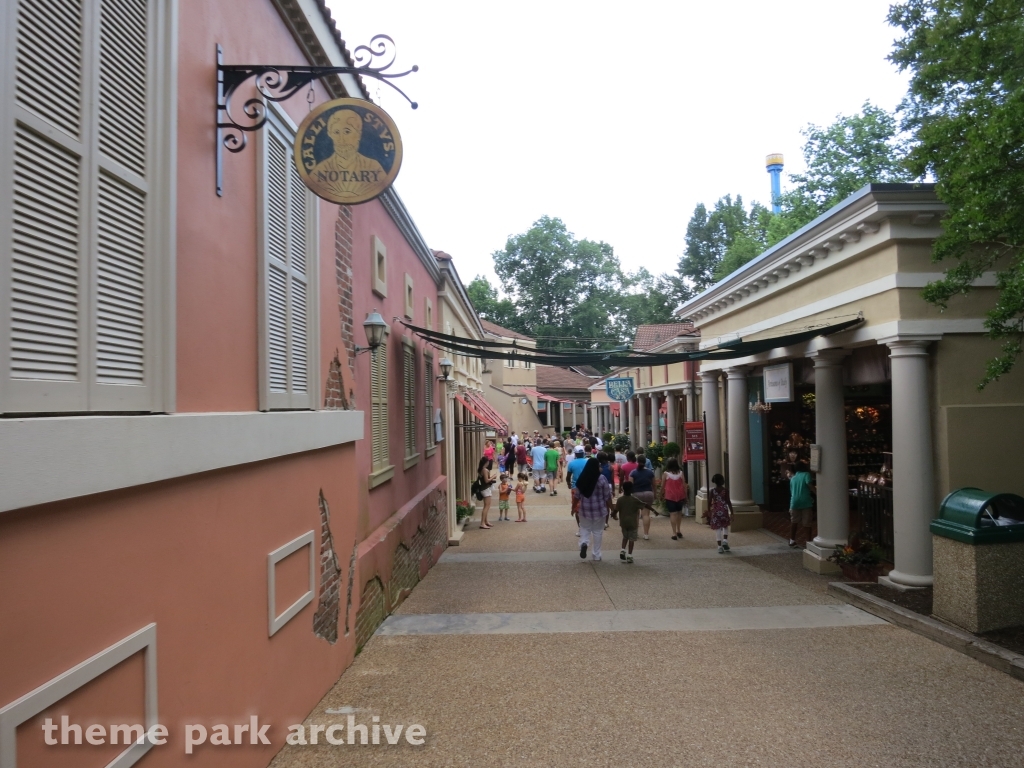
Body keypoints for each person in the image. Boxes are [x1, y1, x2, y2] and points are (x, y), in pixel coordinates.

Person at [310, 109, 388, 201]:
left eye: (347, 132)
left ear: (358, 134)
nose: (341, 140)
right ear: (330, 135)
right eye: (336, 132)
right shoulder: (320, 170)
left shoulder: (374, 168)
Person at [574, 458, 613, 561]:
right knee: (597, 532)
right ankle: (596, 554)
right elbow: (607, 497)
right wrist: (613, 509)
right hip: (599, 510)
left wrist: (573, 507)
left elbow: (576, 496)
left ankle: (583, 543)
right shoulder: (602, 479)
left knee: (584, 528)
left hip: (584, 510)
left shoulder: (582, 478)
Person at [613, 481, 652, 563]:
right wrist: (654, 511)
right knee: (631, 539)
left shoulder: (620, 500)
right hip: (633, 523)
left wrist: (613, 515)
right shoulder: (634, 500)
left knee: (625, 537)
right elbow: (645, 505)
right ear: (631, 489)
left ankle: (623, 550)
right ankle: (630, 555)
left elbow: (616, 510)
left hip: (623, 522)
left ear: (623, 489)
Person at [629, 453, 658, 540]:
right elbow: (654, 484)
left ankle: (636, 532)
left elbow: (630, 485)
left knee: (635, 514)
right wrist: (655, 494)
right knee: (646, 514)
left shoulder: (633, 472)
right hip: (648, 493)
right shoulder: (650, 472)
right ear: (645, 462)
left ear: (637, 462)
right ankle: (646, 534)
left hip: (636, 494)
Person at [787, 461, 816, 547]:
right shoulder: (806, 474)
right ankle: (808, 542)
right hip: (805, 501)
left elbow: (792, 491)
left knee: (794, 522)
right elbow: (809, 484)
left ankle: (792, 540)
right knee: (807, 523)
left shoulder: (793, 478)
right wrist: (816, 492)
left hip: (794, 502)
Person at [661, 458, 688, 541]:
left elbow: (662, 486)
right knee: (679, 513)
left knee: (673, 514)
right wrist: (686, 495)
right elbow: (684, 485)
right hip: (680, 495)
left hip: (670, 496)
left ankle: (674, 533)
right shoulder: (681, 473)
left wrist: (661, 494)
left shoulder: (666, 474)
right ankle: (679, 530)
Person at [566, 445, 590, 537]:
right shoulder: (587, 462)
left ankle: (580, 528)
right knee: (587, 507)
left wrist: (568, 484)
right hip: (587, 488)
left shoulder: (571, 463)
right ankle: (587, 527)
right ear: (583, 453)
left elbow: (568, 477)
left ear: (575, 453)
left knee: (577, 509)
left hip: (575, 488)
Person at [708, 473, 734, 553]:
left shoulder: (712, 491)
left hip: (716, 511)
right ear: (721, 481)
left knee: (718, 528)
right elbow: (728, 501)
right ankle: (725, 541)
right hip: (724, 510)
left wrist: (709, 510)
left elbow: (709, 502)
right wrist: (732, 512)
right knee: (725, 526)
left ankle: (719, 547)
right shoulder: (725, 490)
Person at [477, 457, 498, 529]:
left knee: (486, 506)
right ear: (486, 462)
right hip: (485, 489)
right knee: (487, 506)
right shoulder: (485, 470)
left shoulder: (481, 470)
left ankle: (485, 521)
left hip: (483, 488)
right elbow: (486, 480)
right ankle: (482, 523)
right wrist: (493, 477)